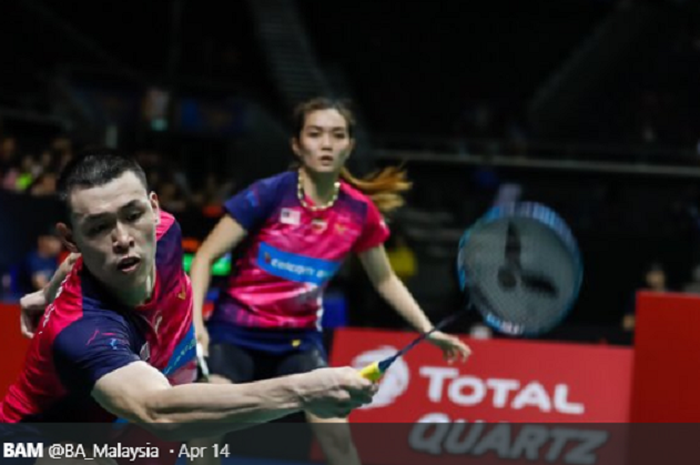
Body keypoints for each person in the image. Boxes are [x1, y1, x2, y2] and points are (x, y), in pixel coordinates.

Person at [1, 150, 377, 446]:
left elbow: (81, 258)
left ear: (153, 207)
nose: (123, 238)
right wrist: (307, 388)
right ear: (72, 238)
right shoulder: (81, 332)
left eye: (132, 215)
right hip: (36, 438)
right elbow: (158, 412)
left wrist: (44, 293)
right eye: (98, 227)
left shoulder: (165, 232)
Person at [190, 98, 471, 465]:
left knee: (336, 432)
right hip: (235, 332)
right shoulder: (270, 193)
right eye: (315, 134)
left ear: (349, 146)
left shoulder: (359, 212)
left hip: (298, 339)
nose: (326, 143)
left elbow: (385, 279)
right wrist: (196, 323)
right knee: (207, 429)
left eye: (337, 135)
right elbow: (205, 257)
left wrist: (427, 330)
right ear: (296, 144)